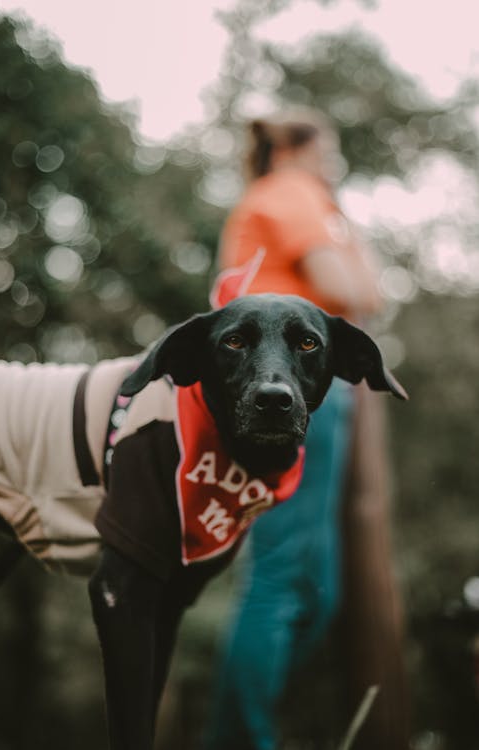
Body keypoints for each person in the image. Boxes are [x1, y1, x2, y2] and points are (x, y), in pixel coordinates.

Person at [202, 108, 408, 750]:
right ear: (300, 151)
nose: (334, 164)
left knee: (314, 584)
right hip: (288, 391)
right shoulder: (294, 192)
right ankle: (242, 738)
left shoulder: (280, 197)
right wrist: (349, 239)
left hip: (298, 389)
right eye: (331, 151)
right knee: (285, 575)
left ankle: (256, 728)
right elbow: (350, 288)